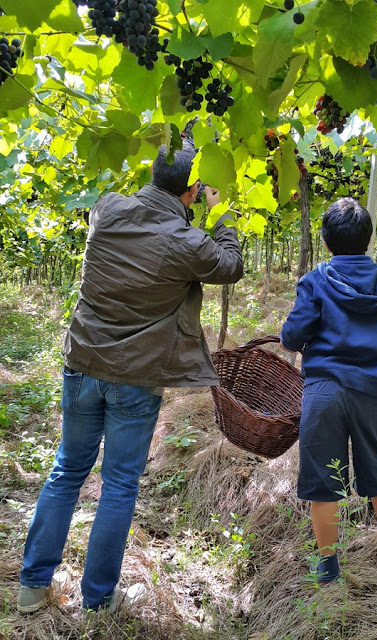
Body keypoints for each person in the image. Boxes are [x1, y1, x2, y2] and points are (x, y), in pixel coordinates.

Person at [17, 140, 243, 613]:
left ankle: (31, 587)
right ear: (193, 189)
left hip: (82, 363)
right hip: (136, 377)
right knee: (119, 484)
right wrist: (220, 213)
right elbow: (230, 266)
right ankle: (98, 601)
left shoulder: (105, 209)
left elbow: (126, 215)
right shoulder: (186, 243)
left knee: (65, 472)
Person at [280, 197, 377, 585]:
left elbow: (292, 335)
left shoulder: (317, 280)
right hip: (376, 392)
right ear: (368, 239)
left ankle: (328, 568)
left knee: (322, 479)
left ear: (327, 243)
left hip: (324, 391)